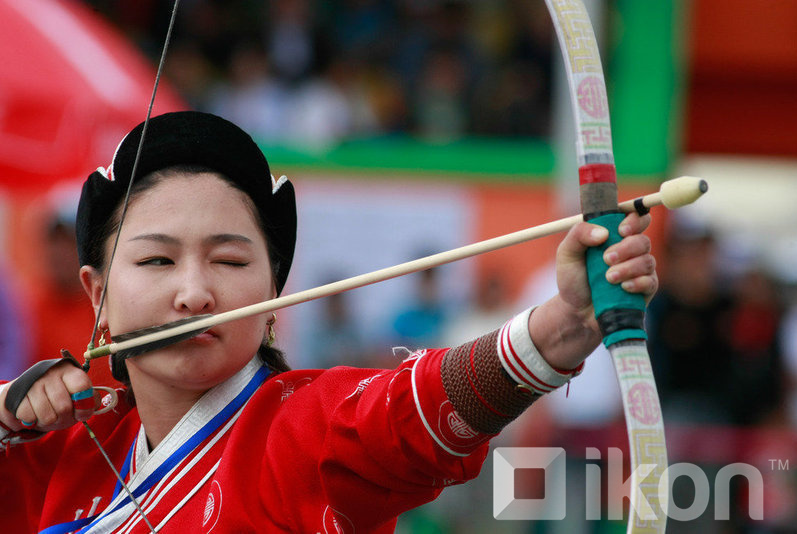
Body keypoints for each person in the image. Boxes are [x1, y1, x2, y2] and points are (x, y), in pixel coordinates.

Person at [0, 111, 657, 533]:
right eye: (156, 260)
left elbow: (409, 410)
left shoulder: (307, 428)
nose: (194, 294)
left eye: (229, 260)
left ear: (273, 296)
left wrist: (565, 324)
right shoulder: (54, 451)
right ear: (98, 296)